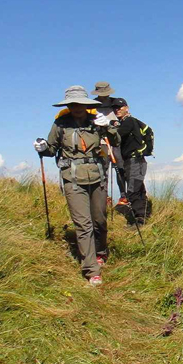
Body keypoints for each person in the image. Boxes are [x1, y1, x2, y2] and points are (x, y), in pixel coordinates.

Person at [34, 85, 120, 287]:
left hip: (98, 176)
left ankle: (100, 251)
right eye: (72, 104)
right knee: (83, 224)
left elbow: (115, 140)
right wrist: (43, 148)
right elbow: (52, 148)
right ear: (68, 105)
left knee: (99, 219)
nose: (76, 107)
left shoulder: (96, 120)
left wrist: (108, 126)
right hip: (72, 179)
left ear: (85, 104)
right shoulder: (60, 124)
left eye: (80, 103)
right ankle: (91, 269)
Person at [111, 97, 150, 226]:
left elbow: (117, 136)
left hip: (135, 161)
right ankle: (142, 217)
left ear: (126, 108)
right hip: (135, 161)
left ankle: (138, 220)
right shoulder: (126, 122)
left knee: (133, 190)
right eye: (115, 108)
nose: (117, 110)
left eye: (120, 107)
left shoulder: (129, 121)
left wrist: (108, 129)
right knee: (138, 189)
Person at [91, 81, 127, 204]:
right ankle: (104, 196)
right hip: (101, 142)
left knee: (120, 168)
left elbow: (124, 117)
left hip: (116, 140)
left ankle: (124, 196)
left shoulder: (115, 103)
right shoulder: (91, 105)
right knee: (103, 169)